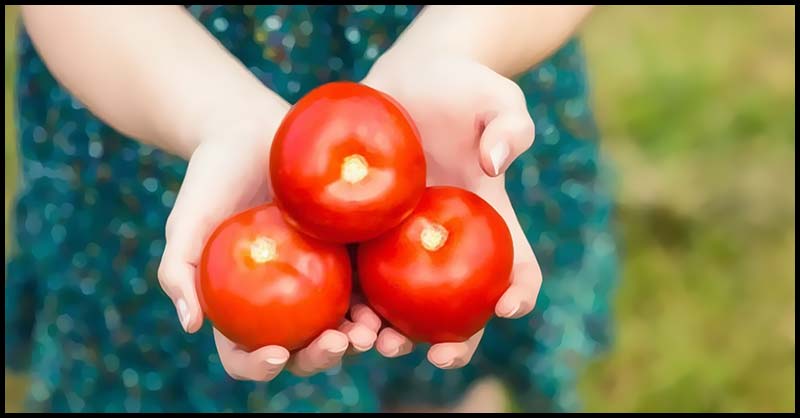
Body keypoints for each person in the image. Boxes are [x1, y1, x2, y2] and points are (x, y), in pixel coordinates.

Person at [6, 5, 618, 413]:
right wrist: (218, 117)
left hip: (466, 78)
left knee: (442, 383)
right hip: (155, 96)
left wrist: (452, 48)